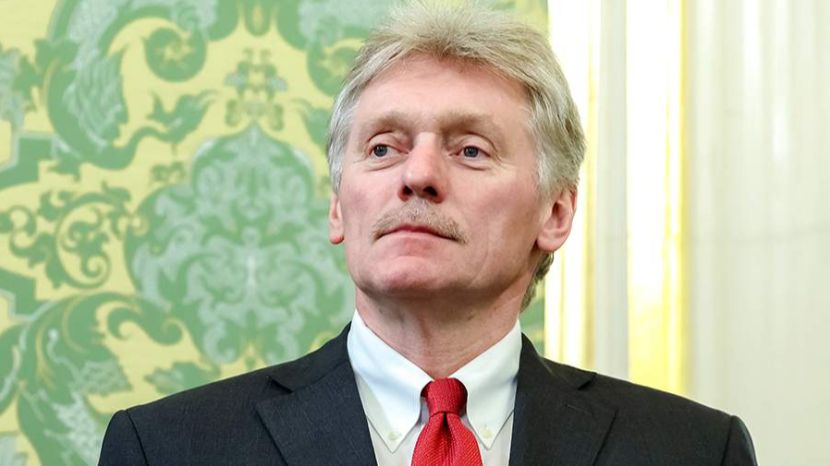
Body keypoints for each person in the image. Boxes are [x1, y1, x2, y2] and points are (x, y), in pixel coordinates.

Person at [99, 2, 757, 465]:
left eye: (470, 150)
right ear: (338, 208)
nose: (417, 175)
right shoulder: (167, 448)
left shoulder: (694, 450)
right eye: (383, 148)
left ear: (555, 213)